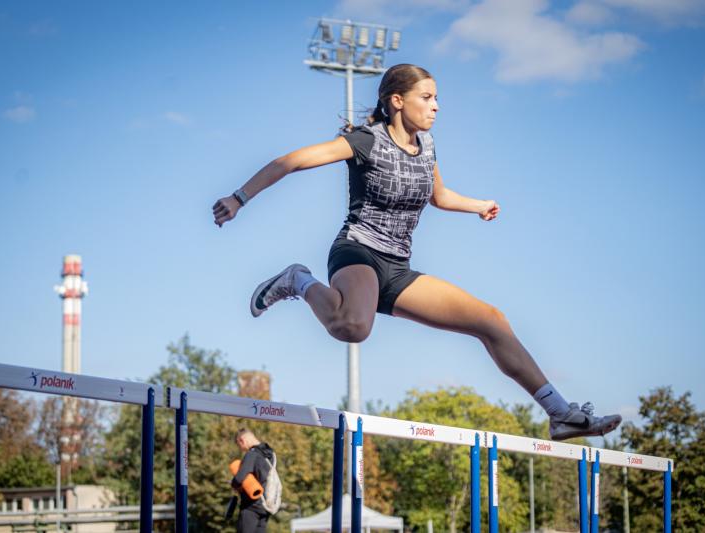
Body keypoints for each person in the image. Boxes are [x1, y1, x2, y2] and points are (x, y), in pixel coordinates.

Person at [212, 64, 621, 441]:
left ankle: (560, 413)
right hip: (358, 252)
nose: (436, 106)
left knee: (491, 321)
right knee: (353, 327)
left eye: (437, 98)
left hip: (397, 268)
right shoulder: (366, 141)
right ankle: (297, 280)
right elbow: (291, 161)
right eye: (427, 97)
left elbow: (439, 195)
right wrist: (239, 197)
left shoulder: (427, 145)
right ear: (397, 101)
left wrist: (476, 205)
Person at [231, 429, 275, 532]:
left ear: (242, 440)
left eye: (239, 445)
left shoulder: (252, 454)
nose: (242, 449)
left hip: (251, 506)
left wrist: (233, 484)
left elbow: (239, 478)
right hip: (266, 505)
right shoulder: (270, 454)